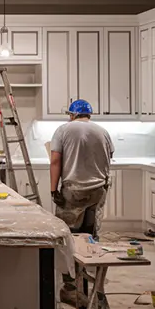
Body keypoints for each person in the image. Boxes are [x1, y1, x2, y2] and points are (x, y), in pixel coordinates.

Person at [48, 99, 114, 237]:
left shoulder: (63, 130)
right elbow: (110, 155)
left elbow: (55, 161)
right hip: (98, 189)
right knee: (90, 232)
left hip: (74, 190)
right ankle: (90, 256)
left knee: (68, 233)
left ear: (72, 115)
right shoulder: (103, 131)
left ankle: (71, 258)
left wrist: (53, 190)